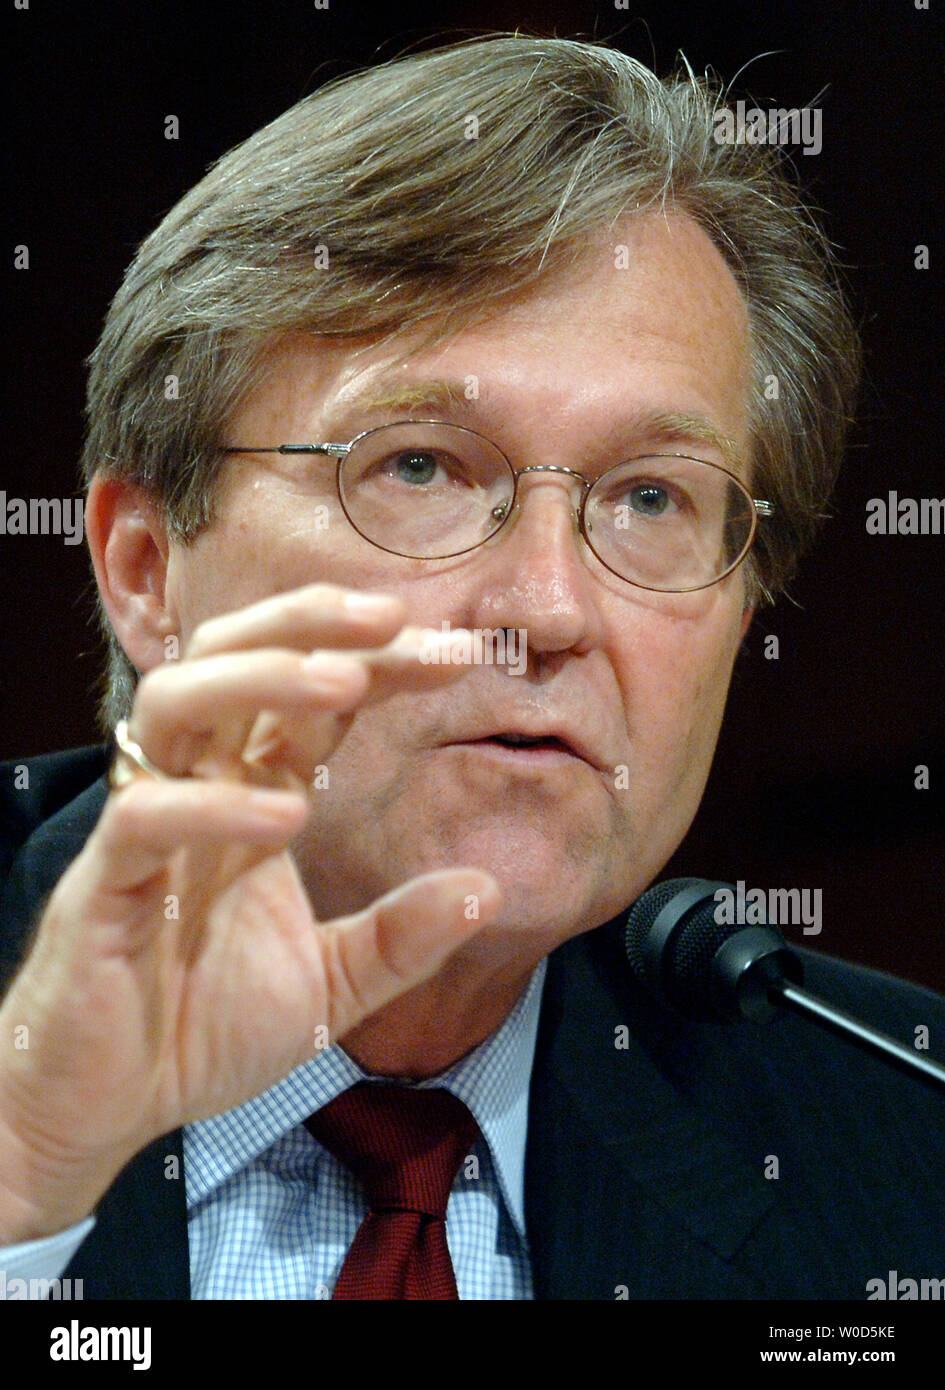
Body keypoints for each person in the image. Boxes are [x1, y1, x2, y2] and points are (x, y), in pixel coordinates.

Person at [0, 34, 942, 1302]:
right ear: (146, 567)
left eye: (651, 496)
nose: (548, 610)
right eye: (422, 468)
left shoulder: (899, 1152)